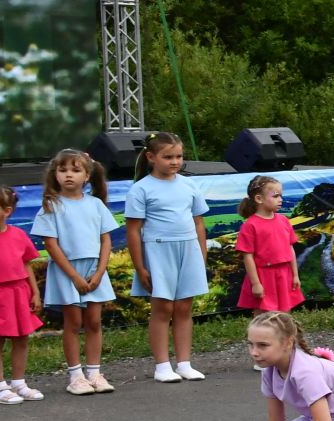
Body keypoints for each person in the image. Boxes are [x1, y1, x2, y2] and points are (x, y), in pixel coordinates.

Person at [124, 132, 209, 382]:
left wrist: (201, 256)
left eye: (179, 156)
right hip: (158, 250)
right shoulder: (141, 189)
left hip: (188, 249)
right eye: (168, 156)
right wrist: (140, 267)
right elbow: (133, 230)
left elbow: (199, 223)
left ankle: (184, 363)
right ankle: (162, 365)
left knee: (184, 307)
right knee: (162, 308)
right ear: (151, 157)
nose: (174, 161)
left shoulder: (189, 185)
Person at [31, 150, 117, 395]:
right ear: (55, 174)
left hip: (94, 270)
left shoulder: (96, 204)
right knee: (73, 322)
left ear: (87, 176)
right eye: (63, 170)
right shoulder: (51, 206)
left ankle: (94, 372)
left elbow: (106, 240)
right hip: (67, 271)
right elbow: (51, 244)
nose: (69, 175)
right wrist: (75, 277)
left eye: (75, 170)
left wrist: (100, 272)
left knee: (94, 321)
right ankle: (75, 376)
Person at [0, 185, 46, 405]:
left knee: (21, 338)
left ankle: (18, 382)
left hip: (18, 293)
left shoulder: (18, 235)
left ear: (6, 211)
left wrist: (35, 293)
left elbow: (27, 265)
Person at [234, 175, 303, 313]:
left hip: (284, 275)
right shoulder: (250, 225)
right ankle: (261, 336)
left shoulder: (284, 220)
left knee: (284, 314)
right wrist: (256, 283)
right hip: (263, 277)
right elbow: (248, 256)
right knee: (264, 316)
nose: (280, 200)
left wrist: (295, 275)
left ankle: (284, 335)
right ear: (259, 199)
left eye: (281, 196)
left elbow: (290, 248)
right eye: (276, 196)